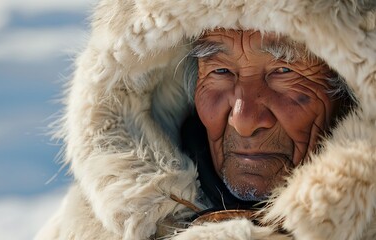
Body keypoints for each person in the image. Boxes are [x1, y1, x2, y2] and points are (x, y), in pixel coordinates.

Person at [36, 1, 376, 240]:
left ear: (349, 90)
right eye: (221, 71)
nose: (244, 119)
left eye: (283, 71)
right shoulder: (91, 227)